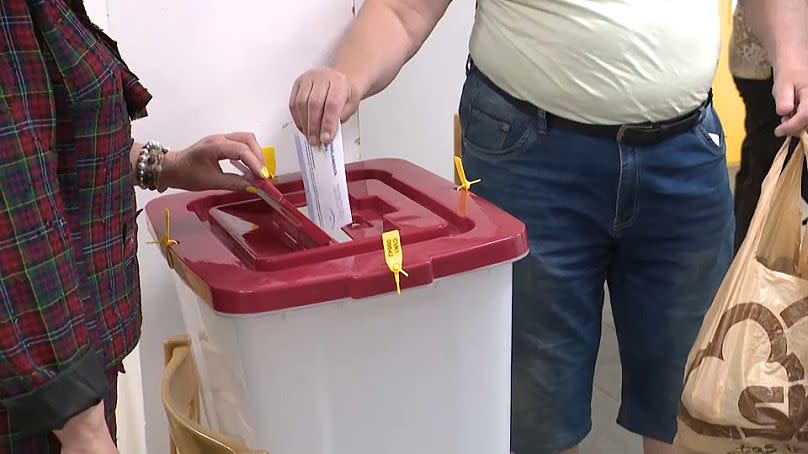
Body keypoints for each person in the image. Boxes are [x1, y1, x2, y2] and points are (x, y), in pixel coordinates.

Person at [289, 0, 808, 453]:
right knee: (535, 413)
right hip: (529, 158)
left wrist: (792, 50)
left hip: (685, 156)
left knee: (696, 403)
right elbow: (404, 9)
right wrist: (346, 75)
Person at [0, 1, 267, 452]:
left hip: (70, 381)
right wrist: (80, 425)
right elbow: (13, 201)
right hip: (35, 407)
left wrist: (165, 165)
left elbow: (51, 141)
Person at [730, 2, 808, 251]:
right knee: (769, 167)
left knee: (765, 166)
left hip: (770, 59)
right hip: (769, 62)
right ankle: (751, 269)